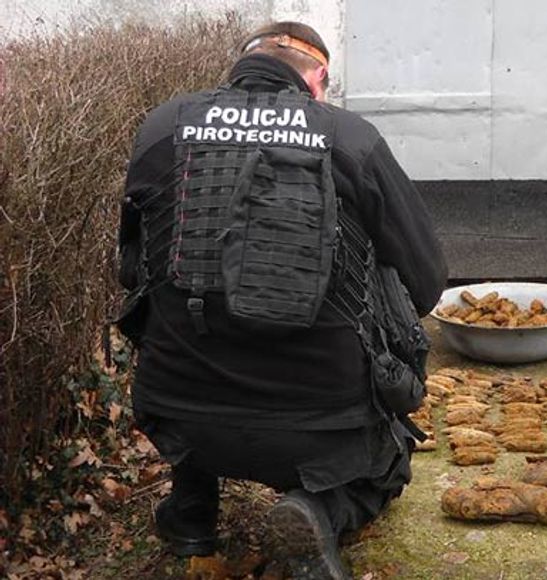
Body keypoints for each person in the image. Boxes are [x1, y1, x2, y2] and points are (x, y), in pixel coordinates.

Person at [115, 22, 447, 577]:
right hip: (323, 422)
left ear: (241, 66)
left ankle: (192, 515)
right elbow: (427, 281)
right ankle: (317, 510)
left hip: (180, 411)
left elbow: (131, 270)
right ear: (318, 78)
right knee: (389, 460)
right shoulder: (350, 139)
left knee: (187, 311)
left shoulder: (162, 126)